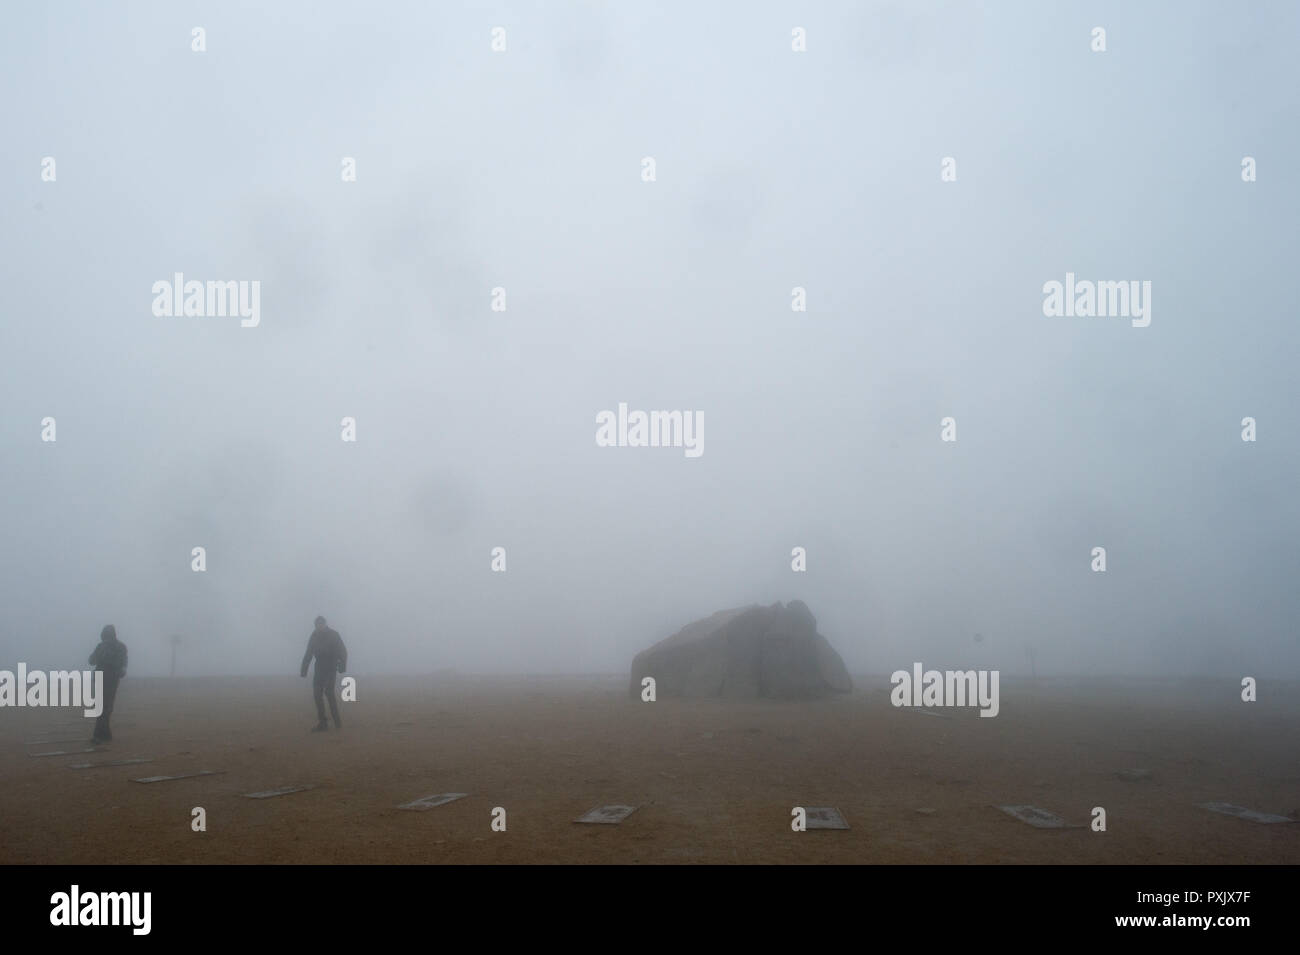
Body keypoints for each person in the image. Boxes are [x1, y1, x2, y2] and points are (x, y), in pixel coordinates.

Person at [300, 615, 347, 732]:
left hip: (331, 666)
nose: (319, 626)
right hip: (319, 667)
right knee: (317, 694)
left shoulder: (334, 634)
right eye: (317, 625)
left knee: (329, 693)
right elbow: (309, 653)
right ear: (315, 625)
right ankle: (323, 723)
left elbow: (343, 651)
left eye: (321, 624)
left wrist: (342, 665)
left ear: (325, 624)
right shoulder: (314, 636)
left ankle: (337, 722)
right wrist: (304, 669)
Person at [88, 624, 127, 743]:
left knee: (105, 707)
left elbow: (122, 664)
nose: (105, 638)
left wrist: (107, 658)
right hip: (102, 679)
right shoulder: (102, 646)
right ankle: (104, 734)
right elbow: (91, 661)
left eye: (106, 635)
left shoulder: (119, 647)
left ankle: (99, 735)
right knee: (103, 707)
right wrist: (100, 654)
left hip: (111, 680)